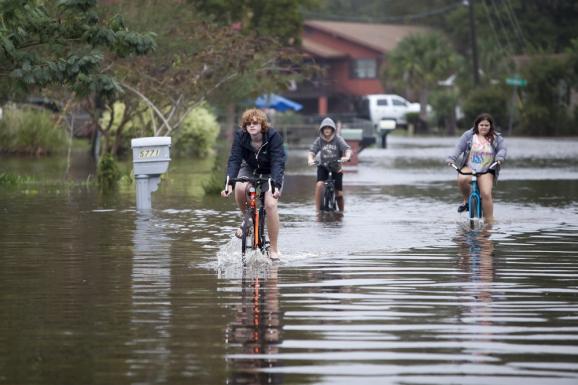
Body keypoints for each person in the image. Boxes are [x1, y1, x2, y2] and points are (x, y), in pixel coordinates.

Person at [221, 108, 286, 260]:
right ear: (245, 126)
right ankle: (248, 221)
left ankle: (274, 249)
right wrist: (228, 183)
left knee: (270, 205)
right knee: (240, 187)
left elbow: (278, 161)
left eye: (255, 123)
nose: (251, 126)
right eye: (248, 123)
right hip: (249, 168)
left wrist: (276, 185)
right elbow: (235, 159)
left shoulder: (273, 136)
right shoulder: (241, 137)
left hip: (271, 172)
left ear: (262, 125)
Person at [446, 113, 507, 222]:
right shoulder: (469, 136)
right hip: (469, 168)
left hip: (486, 170)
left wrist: (500, 158)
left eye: (486, 125)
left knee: (486, 193)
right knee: (462, 179)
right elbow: (458, 148)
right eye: (481, 125)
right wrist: (451, 158)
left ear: (490, 126)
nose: (484, 127)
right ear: (477, 125)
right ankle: (467, 200)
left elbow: (502, 149)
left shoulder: (496, 138)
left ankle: (489, 221)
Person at [307, 117, 352, 211]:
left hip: (336, 167)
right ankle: (317, 210)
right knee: (319, 185)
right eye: (325, 128)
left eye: (329, 128)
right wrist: (310, 159)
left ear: (332, 129)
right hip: (323, 166)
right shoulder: (319, 140)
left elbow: (347, 149)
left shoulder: (338, 139)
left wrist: (347, 157)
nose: (327, 130)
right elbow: (312, 152)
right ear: (322, 129)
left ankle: (341, 212)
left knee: (339, 194)